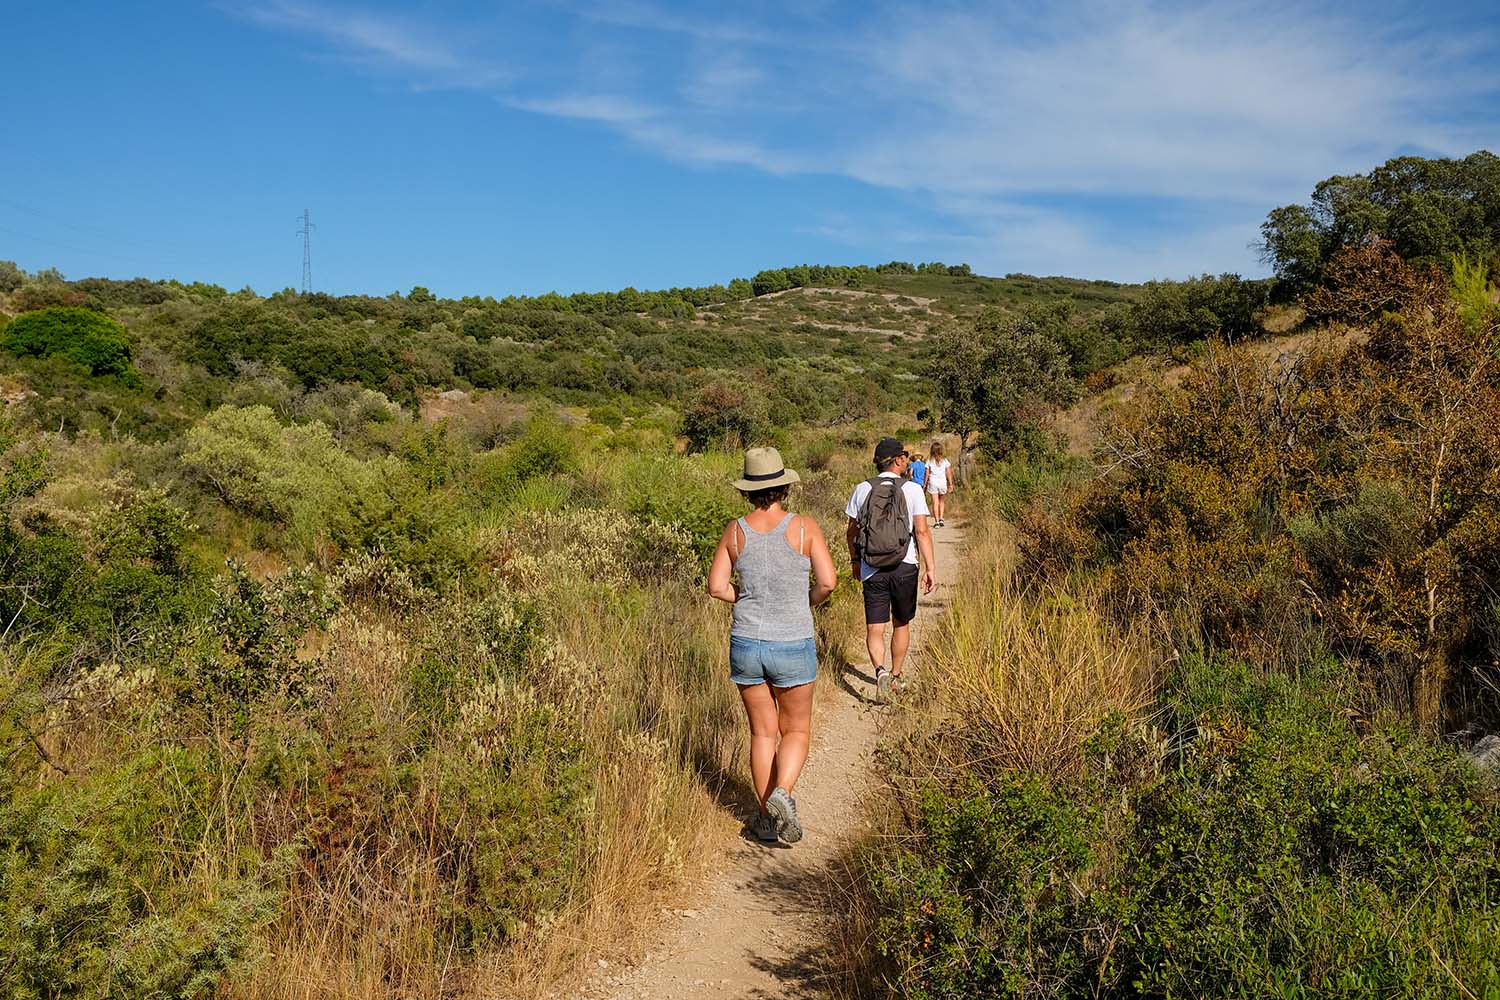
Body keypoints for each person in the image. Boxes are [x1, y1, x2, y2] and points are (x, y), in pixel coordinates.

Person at [708, 447, 836, 845]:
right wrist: (805, 602)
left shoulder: (735, 531)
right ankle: (783, 793)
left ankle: (765, 820)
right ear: (783, 486)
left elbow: (716, 587)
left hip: (747, 642)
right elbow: (828, 582)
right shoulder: (804, 528)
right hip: (792, 640)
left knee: (762, 734)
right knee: (795, 729)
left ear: (747, 491)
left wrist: (745, 600)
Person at [844, 438, 936, 702]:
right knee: (901, 623)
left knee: (875, 627)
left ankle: (880, 672)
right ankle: (896, 677)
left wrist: (855, 561)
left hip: (872, 566)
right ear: (897, 460)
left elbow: (851, 532)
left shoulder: (862, 489)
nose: (906, 461)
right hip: (904, 565)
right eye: (904, 457)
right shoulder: (913, 489)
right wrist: (930, 568)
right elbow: (921, 531)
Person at [926, 441, 952, 527]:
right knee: (941, 501)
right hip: (942, 482)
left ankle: (936, 522)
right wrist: (950, 484)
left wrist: (925, 485)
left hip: (933, 482)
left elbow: (927, 474)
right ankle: (941, 518)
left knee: (935, 502)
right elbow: (948, 472)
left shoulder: (929, 461)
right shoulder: (945, 461)